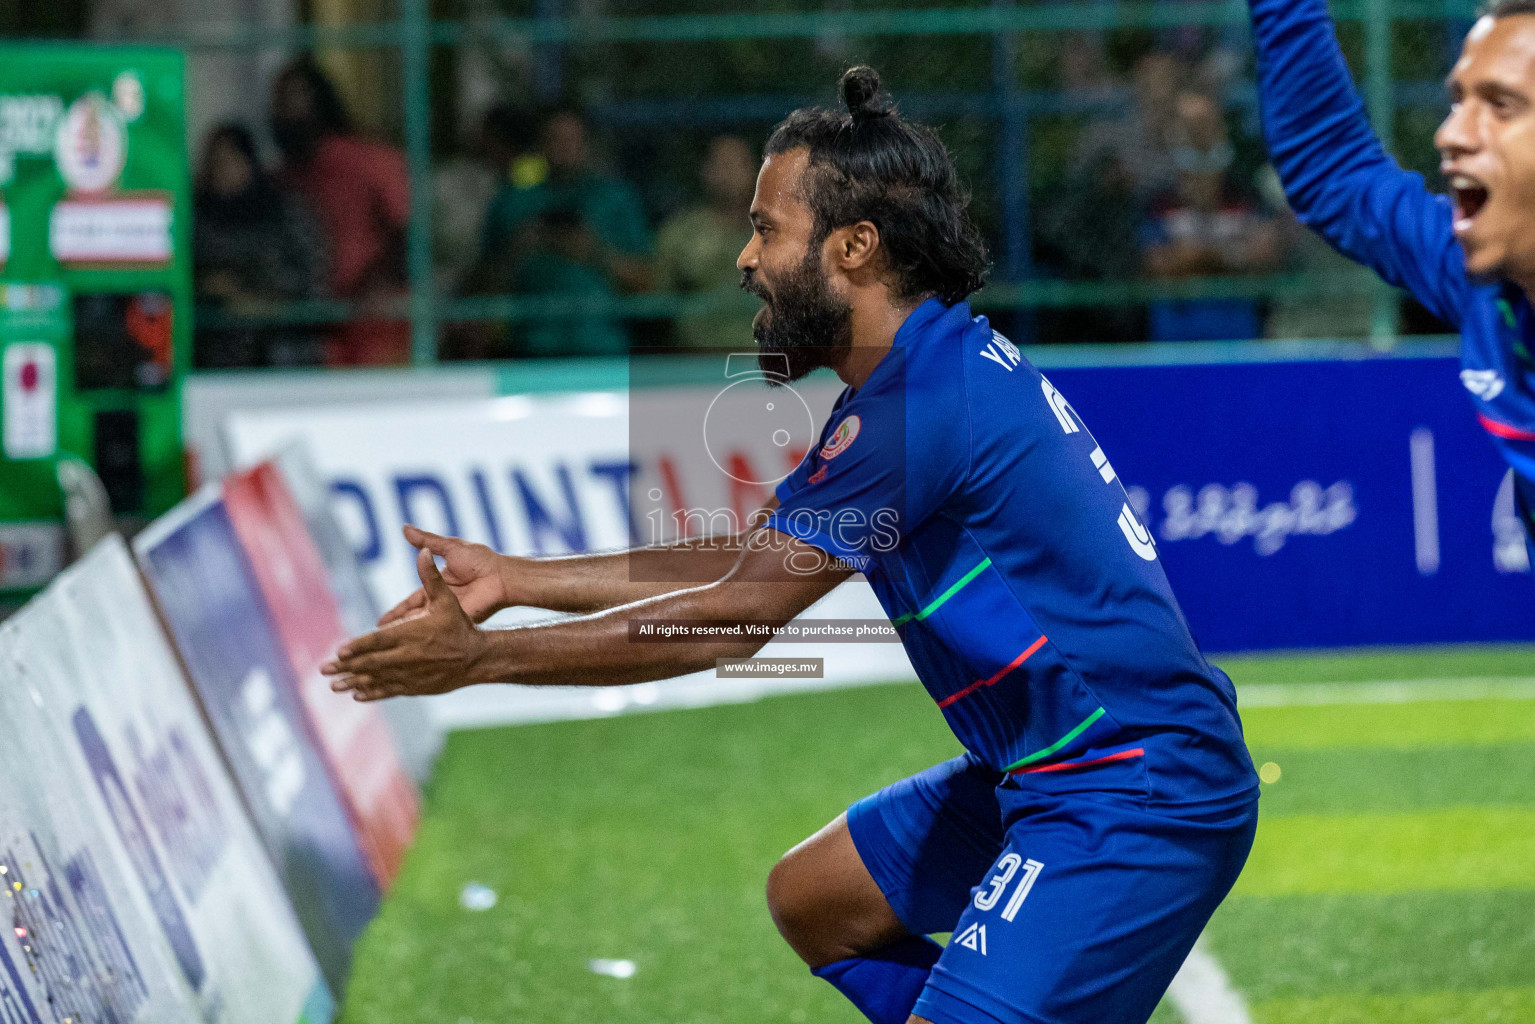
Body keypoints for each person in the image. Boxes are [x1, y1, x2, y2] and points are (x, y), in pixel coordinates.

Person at [322, 67, 1258, 1024]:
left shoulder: (915, 409)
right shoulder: (921, 370)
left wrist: (479, 662)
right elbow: (758, 563)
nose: (743, 256)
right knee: (819, 902)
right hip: (1054, 773)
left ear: (853, 248)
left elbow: (735, 620)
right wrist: (519, 579)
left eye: (766, 229)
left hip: (1136, 792)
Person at [1247, 0, 1535, 527]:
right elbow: (1333, 170)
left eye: (1501, 105)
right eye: (1458, 100)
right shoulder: (1490, 289)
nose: (1451, 134)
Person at [477, 108, 653, 356]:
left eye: (573, 140)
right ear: (540, 145)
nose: (565, 149)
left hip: (603, 348)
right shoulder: (511, 203)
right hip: (532, 350)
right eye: (556, 140)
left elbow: (648, 282)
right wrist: (520, 247)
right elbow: (482, 289)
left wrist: (593, 252)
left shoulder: (616, 199)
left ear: (588, 144)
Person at [271, 57, 411, 365]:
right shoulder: (283, 179)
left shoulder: (371, 162)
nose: (281, 110)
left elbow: (408, 233)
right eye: (277, 100)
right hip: (313, 328)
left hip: (375, 328)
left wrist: (378, 285)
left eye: (292, 98)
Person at [1141, 91, 1283, 340]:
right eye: (1190, 126)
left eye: (1206, 124)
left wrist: (1199, 257)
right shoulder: (1157, 202)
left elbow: (1263, 256)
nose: (1199, 135)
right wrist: (1233, 257)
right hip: (1174, 337)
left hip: (1240, 335)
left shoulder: (1247, 196)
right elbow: (1160, 266)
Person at [192, 123, 327, 367]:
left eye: (230, 160)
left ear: (249, 162)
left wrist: (257, 298)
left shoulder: (285, 215)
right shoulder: (197, 221)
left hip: (285, 352)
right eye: (215, 162)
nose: (221, 171)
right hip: (217, 358)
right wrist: (210, 288)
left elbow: (313, 282)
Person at [654, 135, 760, 349]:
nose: (729, 174)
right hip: (698, 361)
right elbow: (657, 301)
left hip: (768, 358)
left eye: (736, 164)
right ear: (705, 171)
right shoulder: (679, 232)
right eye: (720, 165)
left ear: (755, 170)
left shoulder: (782, 230)